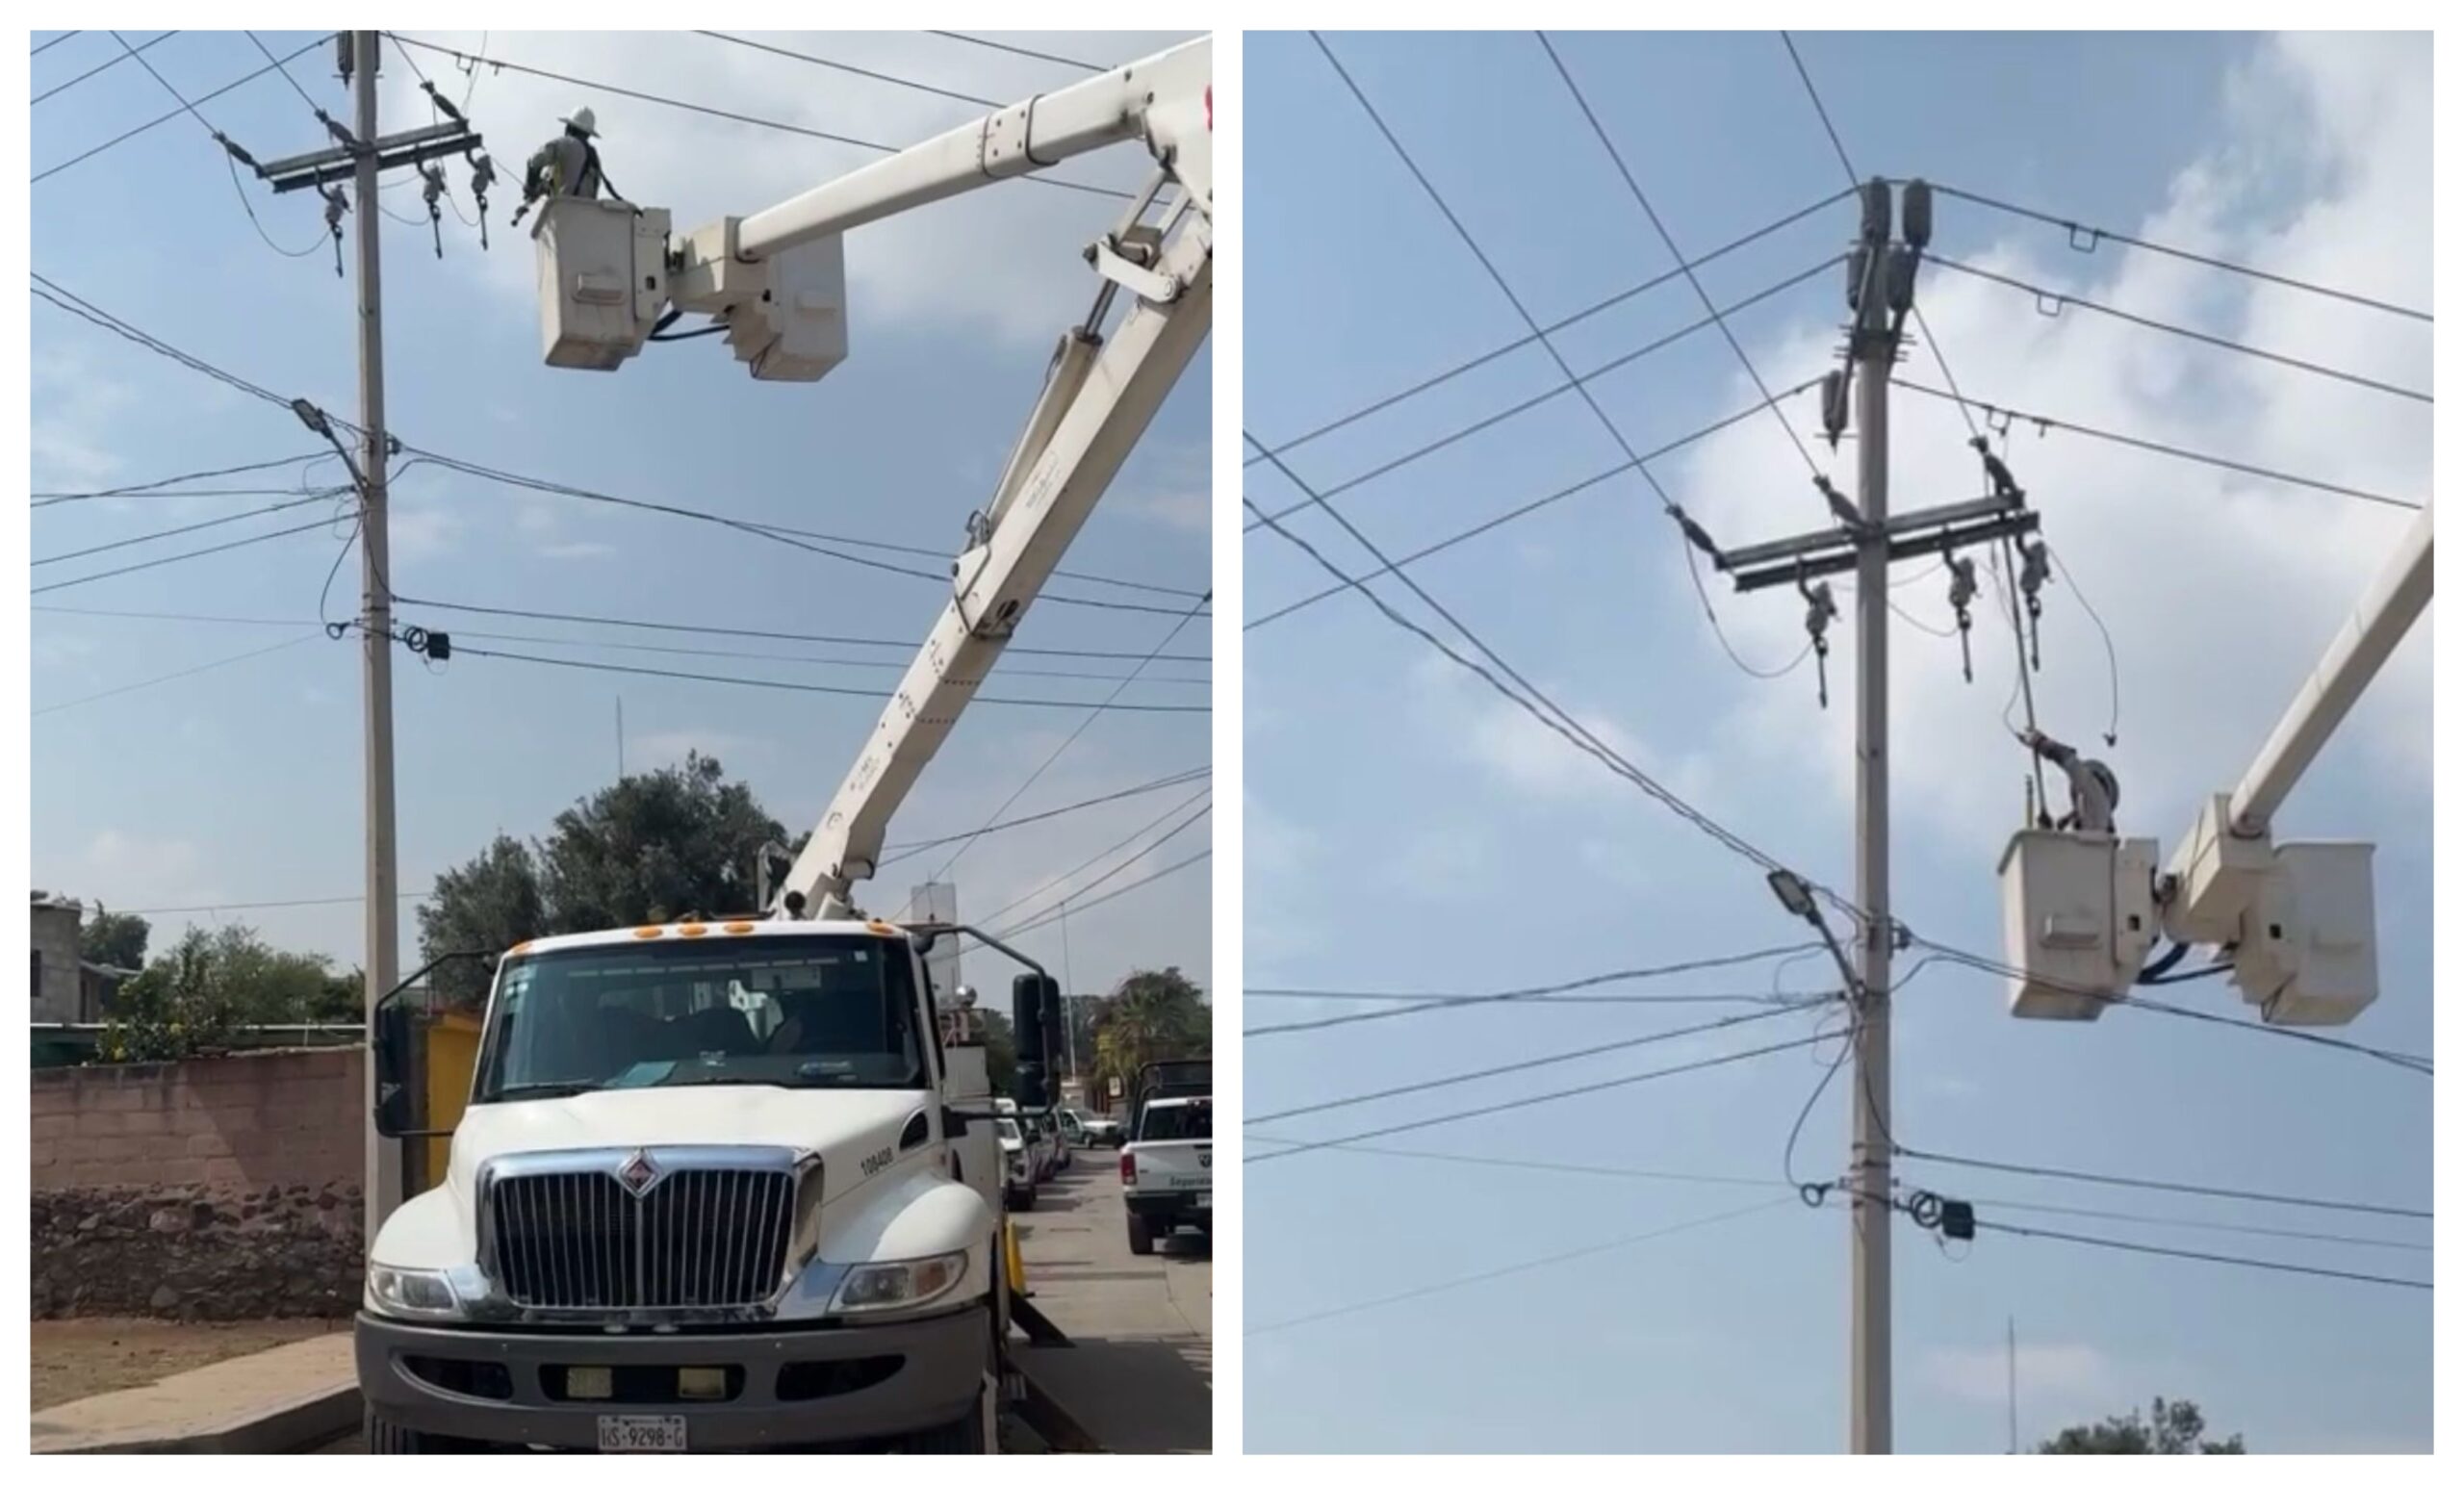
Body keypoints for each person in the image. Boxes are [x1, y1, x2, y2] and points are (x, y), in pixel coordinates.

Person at [514, 106, 622, 224]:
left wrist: (530, 186)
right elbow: (560, 181)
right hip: (586, 221)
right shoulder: (593, 157)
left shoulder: (566, 144)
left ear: (569, 127)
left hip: (563, 216)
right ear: (588, 134)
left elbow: (534, 161)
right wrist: (535, 194)